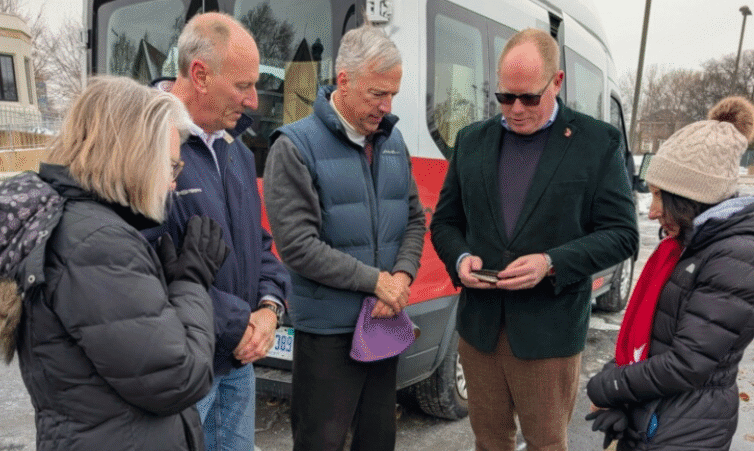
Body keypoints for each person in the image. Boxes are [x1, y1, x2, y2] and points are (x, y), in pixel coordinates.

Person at [0, 76, 226, 451]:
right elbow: (178, 379)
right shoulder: (96, 243)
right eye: (171, 167)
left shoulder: (81, 225)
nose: (173, 184)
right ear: (136, 157)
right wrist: (192, 281)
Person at [429, 28, 639, 451]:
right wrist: (460, 258)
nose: (516, 109)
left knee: (546, 443)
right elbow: (445, 222)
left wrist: (551, 262)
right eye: (505, 97)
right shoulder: (472, 141)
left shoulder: (596, 143)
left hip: (549, 333)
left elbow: (622, 235)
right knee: (489, 441)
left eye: (529, 97)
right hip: (479, 328)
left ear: (557, 82)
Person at [263, 21, 426, 451]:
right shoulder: (295, 146)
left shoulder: (393, 141)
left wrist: (403, 277)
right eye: (377, 94)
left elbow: (414, 220)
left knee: (378, 441)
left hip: (383, 323)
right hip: (327, 332)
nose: (386, 105)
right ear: (344, 81)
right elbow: (297, 246)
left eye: (392, 93)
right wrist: (375, 281)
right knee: (321, 442)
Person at [146, 11, 291, 451]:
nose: (254, 102)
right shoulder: (147, 146)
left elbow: (258, 246)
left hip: (238, 363)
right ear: (200, 74)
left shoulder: (237, 151)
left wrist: (269, 310)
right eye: (243, 86)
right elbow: (145, 269)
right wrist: (238, 323)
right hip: (185, 371)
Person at [586, 96, 754, 450]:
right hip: (659, 419)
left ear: (692, 196)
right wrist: (626, 401)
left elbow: (687, 363)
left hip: (684, 432)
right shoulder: (691, 244)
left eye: (663, 196)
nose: (652, 212)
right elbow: (657, 339)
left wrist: (609, 386)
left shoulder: (735, 257)